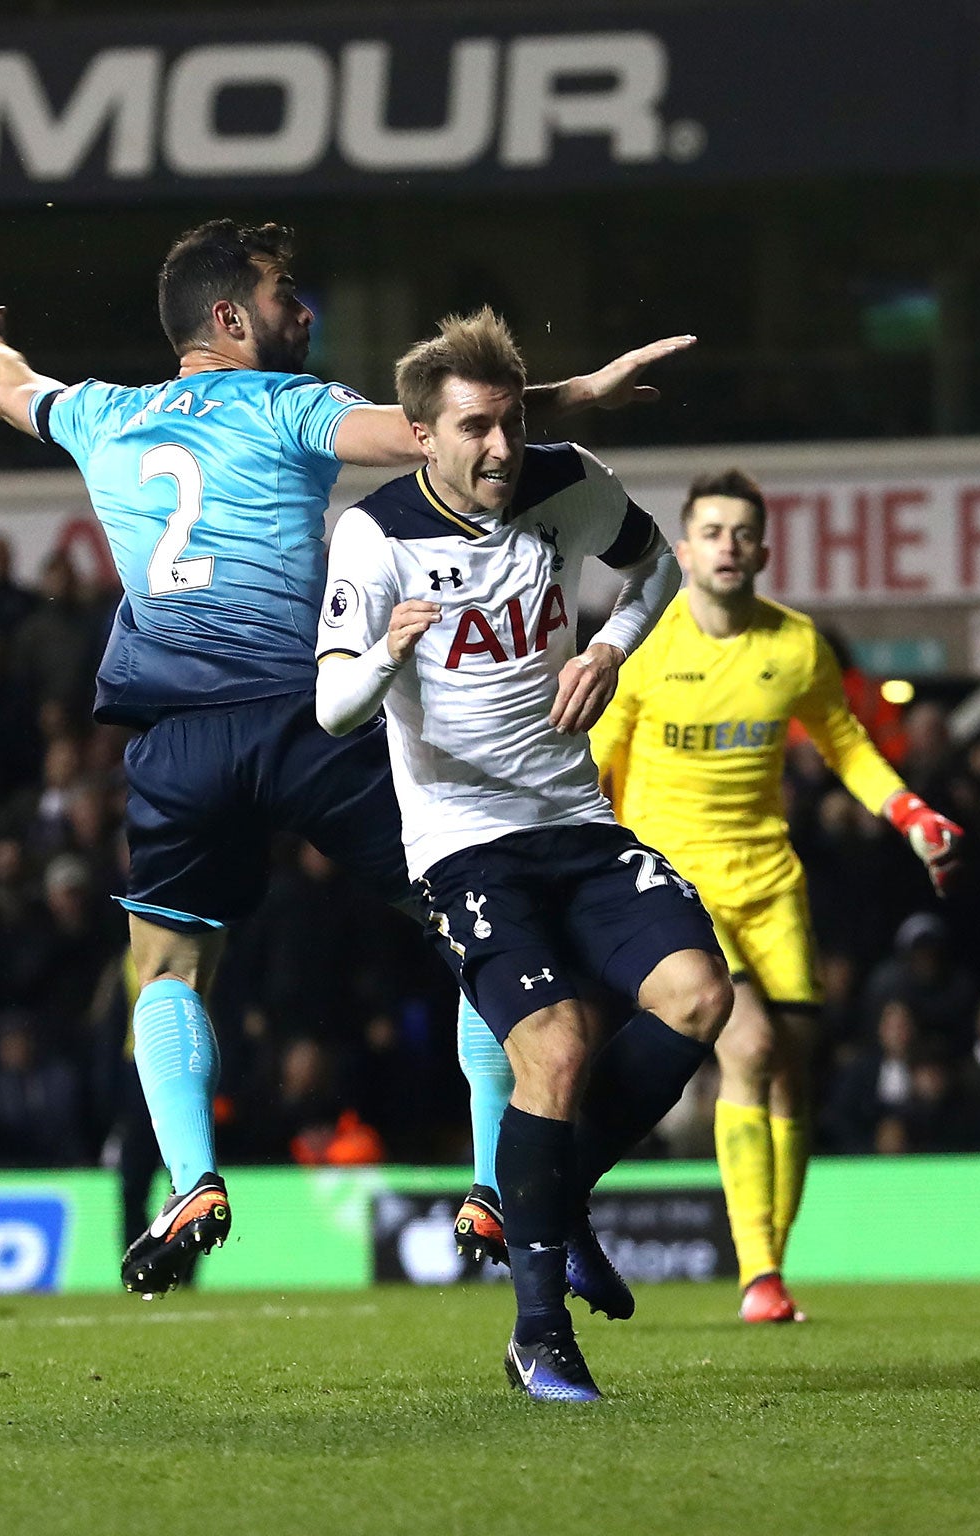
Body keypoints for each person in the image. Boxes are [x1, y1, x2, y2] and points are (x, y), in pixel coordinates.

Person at [0, 228, 688, 1297]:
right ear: (230, 320)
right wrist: (587, 393)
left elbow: (4, 385)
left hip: (177, 745)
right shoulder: (290, 408)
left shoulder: (103, 413)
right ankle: (491, 1183)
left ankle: (191, 1178)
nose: (307, 312)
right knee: (475, 919)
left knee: (165, 965)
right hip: (314, 718)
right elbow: (444, 434)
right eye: (286, 296)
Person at [317, 307, 727, 1401]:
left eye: (507, 423)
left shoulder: (566, 479)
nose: (501, 450)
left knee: (697, 996)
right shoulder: (375, 535)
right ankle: (538, 1333)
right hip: (462, 846)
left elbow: (656, 572)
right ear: (421, 435)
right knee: (551, 1046)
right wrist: (384, 657)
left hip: (577, 825)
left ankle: (555, 1190)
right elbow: (329, 707)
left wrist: (607, 646)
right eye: (476, 431)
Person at [590, 467, 962, 1323]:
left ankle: (771, 1266)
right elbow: (595, 769)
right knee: (748, 1049)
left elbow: (845, 743)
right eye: (710, 532)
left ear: (761, 548)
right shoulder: (642, 646)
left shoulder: (794, 644)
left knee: (793, 1077)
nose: (726, 545)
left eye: (740, 532)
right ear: (683, 551)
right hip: (674, 889)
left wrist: (910, 814)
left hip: (770, 886)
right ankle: (757, 1275)